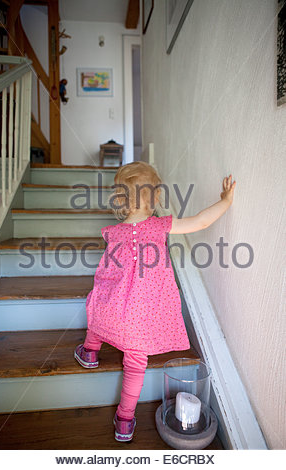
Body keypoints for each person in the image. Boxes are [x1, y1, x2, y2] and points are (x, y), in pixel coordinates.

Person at [74, 161, 236, 442]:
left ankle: (89, 352)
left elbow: (108, 274)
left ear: (120, 200)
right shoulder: (161, 226)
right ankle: (125, 420)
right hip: (142, 318)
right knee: (135, 363)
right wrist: (225, 201)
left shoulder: (112, 233)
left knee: (98, 305)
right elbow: (201, 221)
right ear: (156, 198)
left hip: (113, 310)